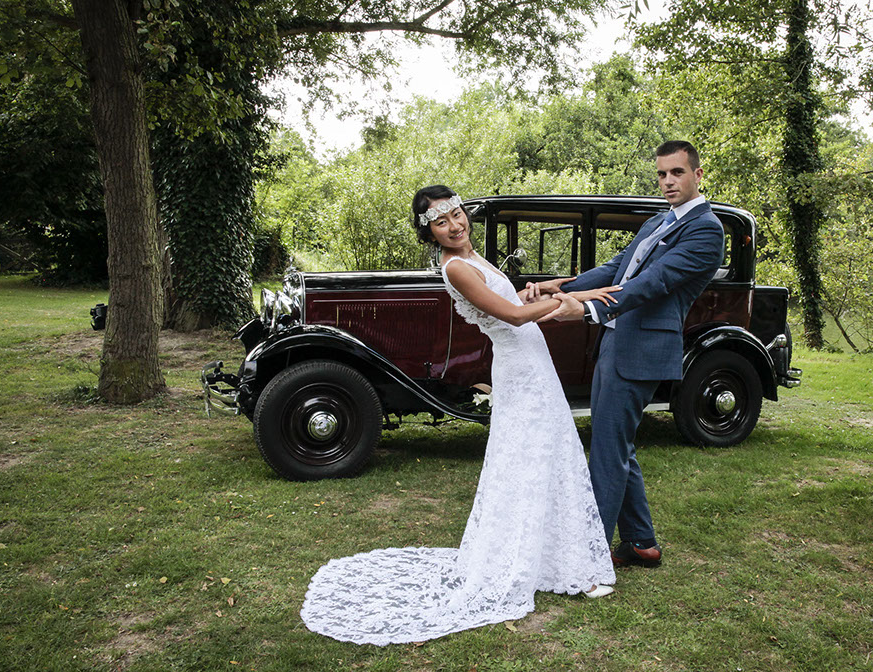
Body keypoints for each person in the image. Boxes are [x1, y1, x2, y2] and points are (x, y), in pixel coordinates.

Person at [300, 185, 620, 646]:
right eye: (440, 221)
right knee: (528, 463)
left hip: (534, 366)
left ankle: (553, 559)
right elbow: (512, 316)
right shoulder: (455, 267)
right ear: (429, 232)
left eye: (456, 213)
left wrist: (555, 288)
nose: (454, 224)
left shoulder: (478, 258)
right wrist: (570, 305)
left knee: (551, 458)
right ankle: (550, 565)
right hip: (520, 371)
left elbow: (515, 298)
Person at [533, 140, 725, 569]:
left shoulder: (706, 230)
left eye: (677, 172)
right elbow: (617, 269)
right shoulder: (658, 222)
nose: (668, 181)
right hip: (616, 344)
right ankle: (641, 543)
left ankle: (592, 554)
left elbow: (654, 282)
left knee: (606, 450)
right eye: (661, 174)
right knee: (617, 446)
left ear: (697, 174)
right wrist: (559, 287)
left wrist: (587, 307)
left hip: (642, 349)